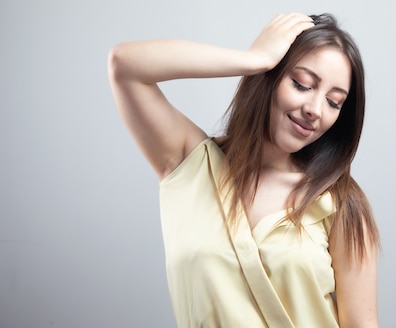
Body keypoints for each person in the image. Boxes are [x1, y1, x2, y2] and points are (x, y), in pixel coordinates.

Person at [108, 12, 380, 328]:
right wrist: (252, 59)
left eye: (334, 102)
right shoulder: (192, 165)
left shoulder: (340, 204)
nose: (315, 110)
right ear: (269, 75)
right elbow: (125, 65)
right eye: (301, 84)